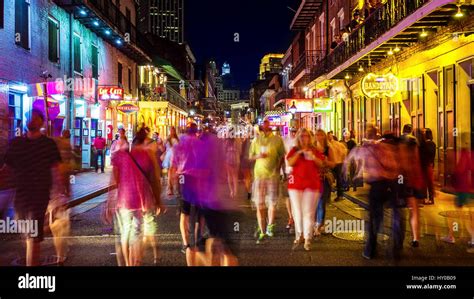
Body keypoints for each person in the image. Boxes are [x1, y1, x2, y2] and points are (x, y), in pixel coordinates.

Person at [3, 109, 62, 266]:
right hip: (20, 199)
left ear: (41, 122)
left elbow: (56, 171)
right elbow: (6, 169)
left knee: (32, 238)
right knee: (28, 235)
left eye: (35, 117)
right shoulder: (16, 143)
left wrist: (57, 199)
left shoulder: (48, 145)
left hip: (39, 197)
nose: (31, 118)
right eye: (29, 115)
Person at [104, 127, 163, 266]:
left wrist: (109, 202)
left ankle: (127, 263)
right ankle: (135, 262)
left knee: (125, 232)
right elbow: (154, 180)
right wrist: (158, 200)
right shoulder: (147, 155)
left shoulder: (121, 156)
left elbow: (114, 181)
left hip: (124, 201)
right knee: (136, 233)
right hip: (141, 201)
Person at [359, 127, 403, 260]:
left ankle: (370, 250)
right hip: (392, 185)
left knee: (374, 219)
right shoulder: (388, 149)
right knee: (397, 215)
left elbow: (365, 169)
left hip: (377, 186)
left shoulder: (369, 149)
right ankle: (396, 248)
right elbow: (396, 167)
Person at [286, 128, 324, 251]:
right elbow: (290, 163)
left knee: (308, 212)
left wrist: (312, 157)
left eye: (306, 136)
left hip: (311, 184)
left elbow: (321, 164)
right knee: (297, 212)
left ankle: (307, 238)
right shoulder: (294, 150)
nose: (304, 138)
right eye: (301, 136)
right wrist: (299, 153)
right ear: (298, 138)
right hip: (295, 185)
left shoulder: (314, 150)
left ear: (309, 137)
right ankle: (299, 235)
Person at [249, 119, 285, 244]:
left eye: (267, 124)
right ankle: (262, 230)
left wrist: (279, 168)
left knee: (272, 203)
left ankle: (269, 225)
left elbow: (282, 156)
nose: (265, 126)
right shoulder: (256, 140)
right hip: (259, 175)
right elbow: (250, 156)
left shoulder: (277, 140)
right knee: (259, 204)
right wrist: (258, 156)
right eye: (263, 124)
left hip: (273, 176)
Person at [169, 123, 200, 254]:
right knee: (199, 214)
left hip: (183, 180)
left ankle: (186, 244)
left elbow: (172, 167)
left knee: (184, 214)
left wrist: (170, 186)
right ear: (196, 131)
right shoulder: (199, 144)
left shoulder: (178, 145)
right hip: (197, 180)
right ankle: (197, 241)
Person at [399, 124, 425, 248]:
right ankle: (415, 238)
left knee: (405, 209)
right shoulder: (416, 150)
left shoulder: (402, 146)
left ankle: (403, 237)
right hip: (417, 180)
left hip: (407, 181)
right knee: (415, 211)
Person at [314, 129, 336, 236]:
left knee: (321, 203)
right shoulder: (312, 148)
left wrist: (327, 162)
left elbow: (333, 164)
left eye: (321, 135)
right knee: (313, 203)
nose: (319, 137)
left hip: (324, 178)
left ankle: (319, 224)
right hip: (313, 178)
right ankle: (313, 223)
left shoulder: (328, 149)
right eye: (317, 135)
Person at [283, 127, 298, 231]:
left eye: (295, 131)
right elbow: (282, 156)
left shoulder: (300, 142)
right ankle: (291, 217)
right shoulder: (285, 140)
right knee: (287, 196)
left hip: (298, 172)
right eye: (292, 131)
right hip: (287, 171)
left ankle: (296, 218)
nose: (293, 133)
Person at [162, 127, 180, 196]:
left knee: (175, 174)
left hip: (175, 157)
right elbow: (164, 147)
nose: (172, 132)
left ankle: (175, 189)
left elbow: (179, 148)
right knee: (170, 173)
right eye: (171, 130)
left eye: (173, 130)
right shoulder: (168, 139)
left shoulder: (177, 139)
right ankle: (170, 189)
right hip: (170, 157)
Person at [421, 128, 436, 205]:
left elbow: (429, 154)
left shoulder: (429, 144)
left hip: (427, 164)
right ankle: (425, 198)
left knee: (429, 182)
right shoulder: (427, 144)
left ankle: (430, 198)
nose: (422, 134)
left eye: (424, 132)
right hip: (426, 164)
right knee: (425, 182)